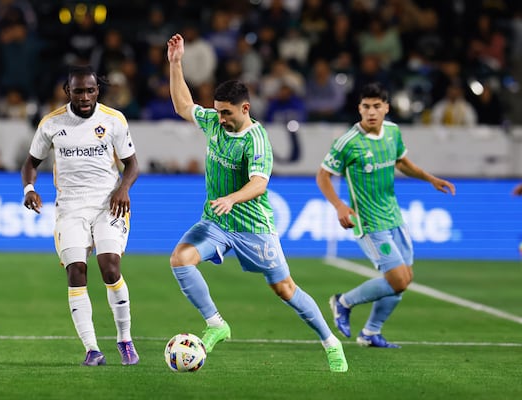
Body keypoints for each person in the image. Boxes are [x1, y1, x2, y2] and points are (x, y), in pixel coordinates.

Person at [166, 33, 348, 373]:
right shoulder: (213, 123)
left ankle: (330, 341)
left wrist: (232, 198)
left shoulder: (256, 138)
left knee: (284, 288)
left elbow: (259, 184)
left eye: (226, 113)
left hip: (252, 227)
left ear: (245, 108)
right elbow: (182, 105)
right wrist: (176, 64)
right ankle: (216, 323)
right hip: (218, 222)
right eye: (218, 111)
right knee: (180, 259)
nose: (219, 118)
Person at [316, 82, 456, 348]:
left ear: (386, 108)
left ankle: (370, 333)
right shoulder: (348, 142)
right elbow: (323, 175)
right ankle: (343, 301)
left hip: (394, 217)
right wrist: (339, 205)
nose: (371, 112)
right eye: (366, 106)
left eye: (376, 106)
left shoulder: (392, 132)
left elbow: (401, 162)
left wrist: (430, 179)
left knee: (404, 279)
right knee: (398, 279)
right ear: (359, 108)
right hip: (368, 221)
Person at [21, 65, 140, 366]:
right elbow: (30, 163)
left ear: (97, 90)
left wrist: (123, 189)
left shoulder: (113, 120)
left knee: (109, 267)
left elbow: (133, 164)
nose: (85, 96)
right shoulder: (51, 123)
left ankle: (124, 339)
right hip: (70, 208)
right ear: (68, 91)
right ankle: (91, 349)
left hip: (107, 205)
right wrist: (29, 189)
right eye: (78, 91)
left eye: (90, 90)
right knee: (76, 270)